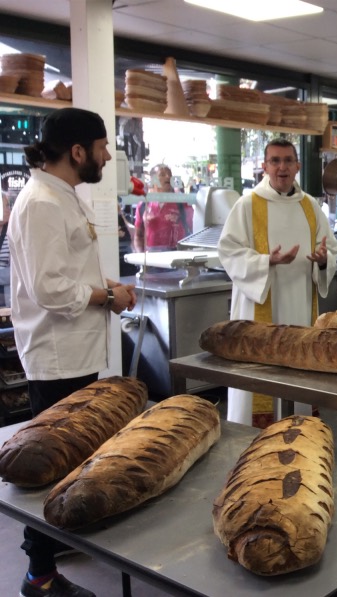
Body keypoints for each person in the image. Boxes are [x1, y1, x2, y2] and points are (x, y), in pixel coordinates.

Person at [8, 107, 137, 597]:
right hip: (57, 358)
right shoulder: (41, 201)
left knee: (75, 459)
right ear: (77, 151)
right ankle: (38, 575)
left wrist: (107, 286)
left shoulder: (63, 196)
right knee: (50, 466)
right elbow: (50, 290)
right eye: (102, 147)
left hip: (77, 353)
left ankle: (58, 540)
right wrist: (107, 297)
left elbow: (71, 273)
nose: (107, 155)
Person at [218, 138, 337, 427]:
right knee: (259, 384)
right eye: (275, 161)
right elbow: (228, 251)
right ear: (264, 166)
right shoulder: (247, 205)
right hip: (260, 308)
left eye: (287, 160)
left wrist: (323, 260)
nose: (281, 167)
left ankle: (298, 433)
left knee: (296, 374)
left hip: (298, 307)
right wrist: (265, 261)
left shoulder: (310, 206)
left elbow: (331, 248)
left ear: (297, 165)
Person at [133, 163, 193, 252]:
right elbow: (138, 236)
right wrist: (141, 259)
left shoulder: (182, 203)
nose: (168, 177)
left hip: (176, 255)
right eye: (162, 174)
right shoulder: (144, 204)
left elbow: (192, 232)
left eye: (170, 174)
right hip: (151, 258)